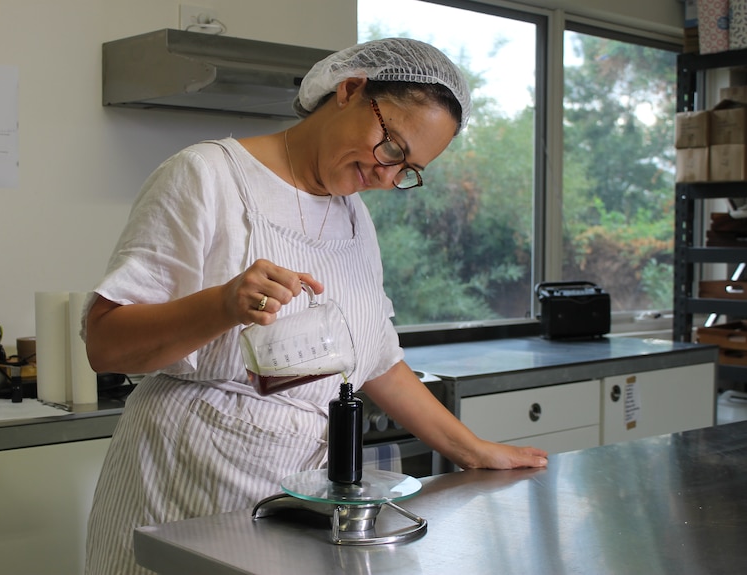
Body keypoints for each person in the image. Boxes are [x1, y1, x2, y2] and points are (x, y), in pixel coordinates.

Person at [82, 36, 548, 575]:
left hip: (295, 509)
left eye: (407, 169)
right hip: (181, 494)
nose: (387, 175)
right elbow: (105, 343)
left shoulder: (354, 220)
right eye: (391, 147)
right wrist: (223, 305)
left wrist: (471, 449)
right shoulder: (207, 176)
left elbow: (379, 361)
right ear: (349, 91)